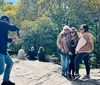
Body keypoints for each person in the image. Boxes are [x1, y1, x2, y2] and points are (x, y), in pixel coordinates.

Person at [0, 15, 20, 85]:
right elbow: (13, 27)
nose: (7, 24)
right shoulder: (2, 23)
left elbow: (5, 39)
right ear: (5, 20)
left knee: (10, 63)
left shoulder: (2, 27)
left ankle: (6, 81)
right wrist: (18, 29)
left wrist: (14, 39)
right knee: (0, 70)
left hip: (3, 51)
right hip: (0, 51)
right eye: (7, 22)